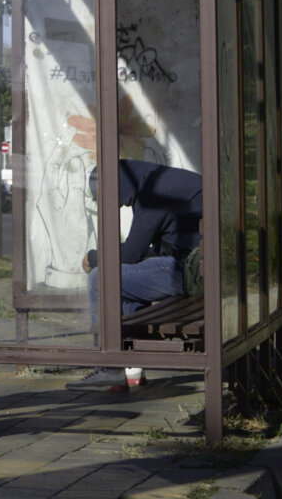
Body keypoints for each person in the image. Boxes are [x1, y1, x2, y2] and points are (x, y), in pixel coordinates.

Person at [66, 159, 203, 392]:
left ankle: (109, 367)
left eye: (108, 198)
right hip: (201, 266)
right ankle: (132, 369)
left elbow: (131, 253)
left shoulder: (153, 195)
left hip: (190, 272)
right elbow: (149, 252)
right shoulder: (160, 180)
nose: (117, 206)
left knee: (100, 278)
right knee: (126, 280)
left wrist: (94, 257)